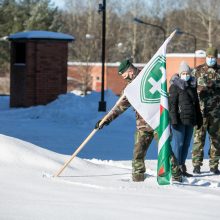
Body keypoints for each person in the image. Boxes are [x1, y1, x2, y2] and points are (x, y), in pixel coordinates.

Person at [95, 59, 182, 182]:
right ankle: (138, 179)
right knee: (138, 153)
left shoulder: (149, 78)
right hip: (143, 126)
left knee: (165, 150)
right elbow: (119, 107)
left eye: (125, 75)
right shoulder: (130, 88)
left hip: (159, 123)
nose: (124, 78)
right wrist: (105, 120)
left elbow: (165, 97)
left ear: (130, 71)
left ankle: (177, 176)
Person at [169, 61, 202, 177]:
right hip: (179, 120)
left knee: (186, 144)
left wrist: (199, 119)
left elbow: (196, 104)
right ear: (179, 73)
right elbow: (172, 105)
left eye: (187, 73)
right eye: (183, 73)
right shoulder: (174, 86)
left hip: (190, 120)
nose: (185, 75)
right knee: (178, 144)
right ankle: (175, 169)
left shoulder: (192, 86)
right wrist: (173, 120)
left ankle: (182, 167)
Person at [192, 46, 220, 175]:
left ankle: (214, 165)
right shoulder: (197, 71)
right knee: (199, 139)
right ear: (206, 57)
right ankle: (196, 165)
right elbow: (189, 88)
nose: (211, 59)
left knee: (216, 140)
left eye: (213, 57)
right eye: (209, 57)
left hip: (216, 113)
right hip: (200, 112)